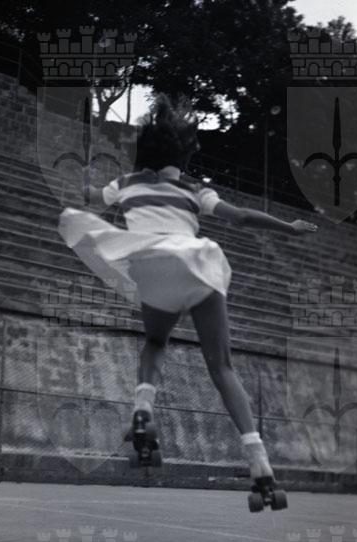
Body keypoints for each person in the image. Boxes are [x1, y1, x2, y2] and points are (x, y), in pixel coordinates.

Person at [58, 94, 317, 484]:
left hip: (150, 265)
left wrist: (85, 186)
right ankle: (258, 458)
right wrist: (289, 228)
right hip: (197, 266)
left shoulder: (124, 184)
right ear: (181, 156)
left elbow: (91, 198)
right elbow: (242, 217)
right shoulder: (195, 190)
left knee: (155, 343)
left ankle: (143, 408)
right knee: (222, 366)